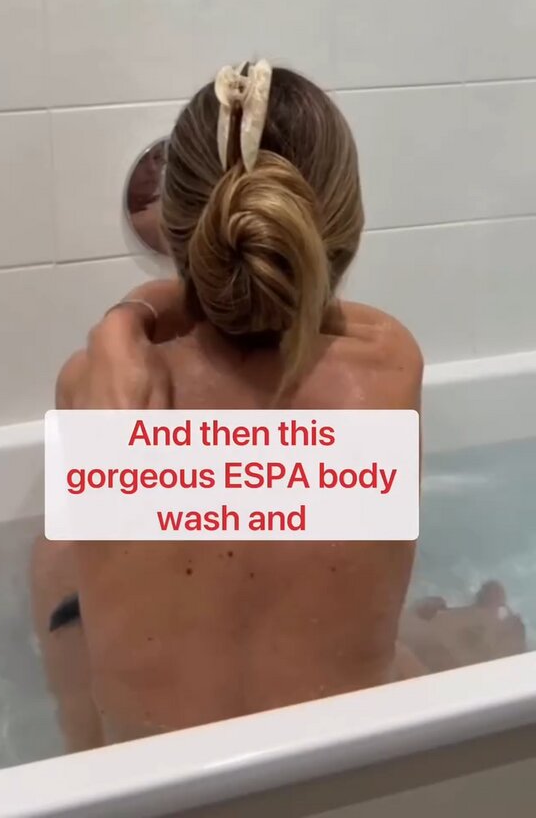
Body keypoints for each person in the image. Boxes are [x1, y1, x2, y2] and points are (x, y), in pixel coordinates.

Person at [31, 62, 520, 753]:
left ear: (176, 233)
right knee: (424, 639)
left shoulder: (96, 390)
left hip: (151, 777)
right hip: (343, 771)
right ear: (343, 232)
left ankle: (76, 727)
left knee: (55, 554)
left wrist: (123, 320)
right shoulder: (389, 368)